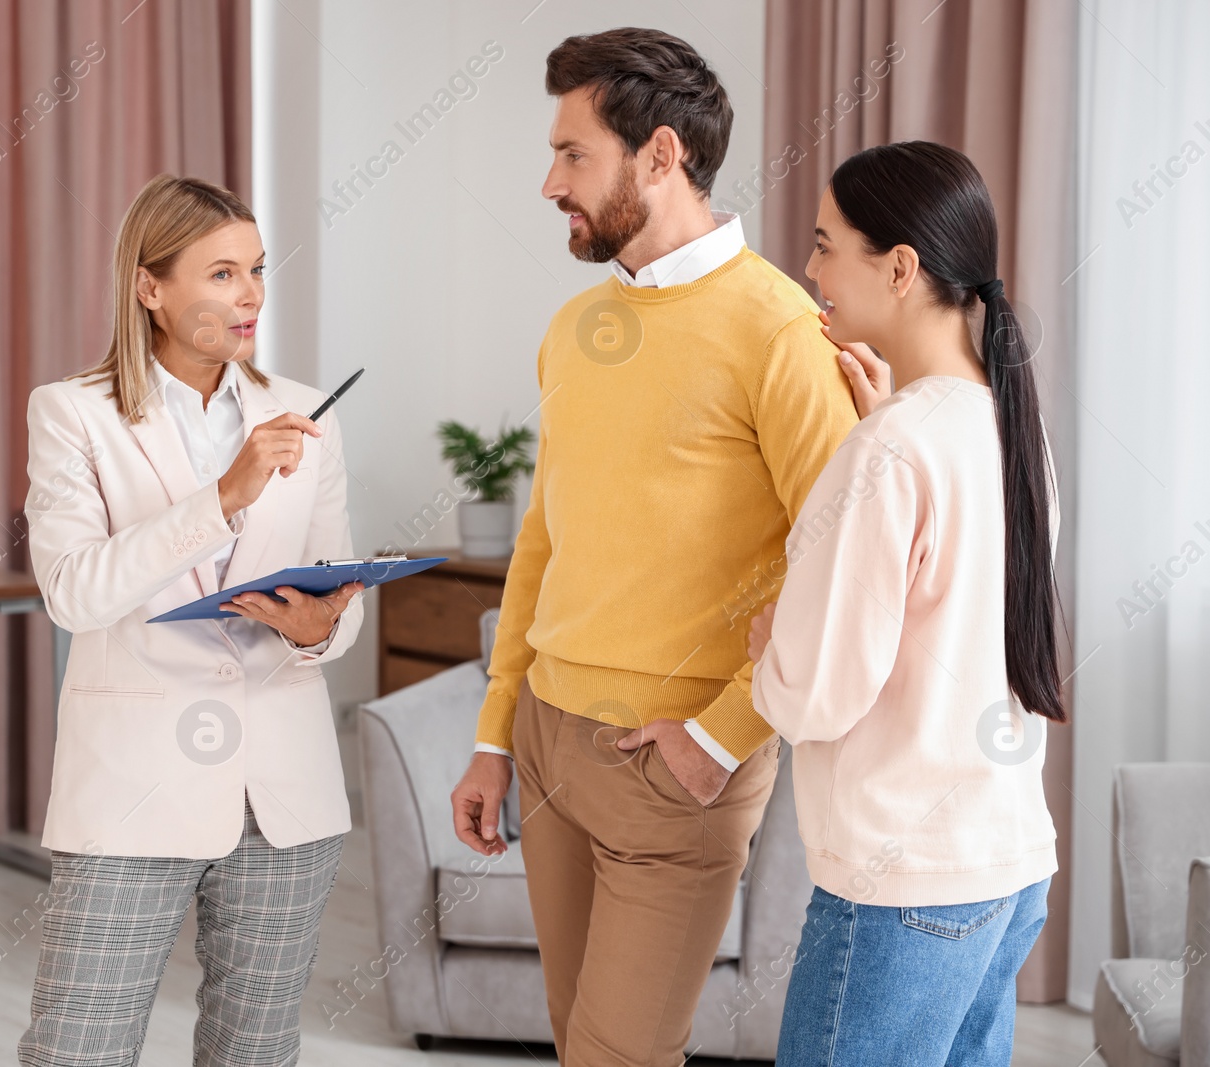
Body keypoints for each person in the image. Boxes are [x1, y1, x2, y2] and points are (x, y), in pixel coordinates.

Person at [447, 27, 859, 1064]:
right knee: (571, 1037)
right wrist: (498, 731)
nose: (549, 182)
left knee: (618, 1052)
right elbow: (545, 534)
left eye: (573, 154)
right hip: (546, 741)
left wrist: (719, 736)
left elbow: (845, 562)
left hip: (672, 763)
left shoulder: (780, 332)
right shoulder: (574, 327)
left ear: (661, 155)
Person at [17, 173, 366, 1067]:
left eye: (254, 271)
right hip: (131, 792)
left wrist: (312, 628)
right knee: (78, 1049)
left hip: (282, 794)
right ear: (150, 286)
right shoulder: (73, 414)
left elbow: (338, 601)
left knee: (255, 1051)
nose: (248, 293)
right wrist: (224, 496)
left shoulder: (304, 411)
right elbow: (74, 592)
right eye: (220, 273)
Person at [747, 141, 1065, 1066]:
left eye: (823, 243)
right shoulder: (1008, 426)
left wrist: (771, 644)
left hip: (904, 888)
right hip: (1004, 865)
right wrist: (884, 422)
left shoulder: (893, 450)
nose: (808, 269)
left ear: (898, 267)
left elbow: (818, 695)